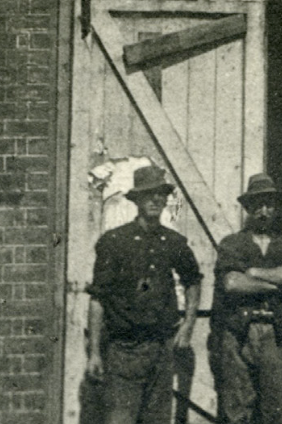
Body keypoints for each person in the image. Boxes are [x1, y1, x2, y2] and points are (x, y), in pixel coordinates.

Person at [88, 164, 206, 424]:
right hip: (124, 350)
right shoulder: (115, 241)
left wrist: (187, 325)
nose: (155, 199)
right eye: (149, 194)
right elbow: (98, 298)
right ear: (137, 199)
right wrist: (95, 352)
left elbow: (193, 280)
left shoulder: (173, 242)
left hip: (161, 350)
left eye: (161, 194)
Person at [214, 173, 282, 424]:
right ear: (248, 208)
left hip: (277, 333)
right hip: (240, 332)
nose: (264, 211)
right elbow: (232, 284)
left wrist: (253, 274)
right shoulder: (232, 243)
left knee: (276, 410)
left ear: (275, 208)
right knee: (237, 409)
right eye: (257, 205)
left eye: (269, 205)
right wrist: (276, 284)